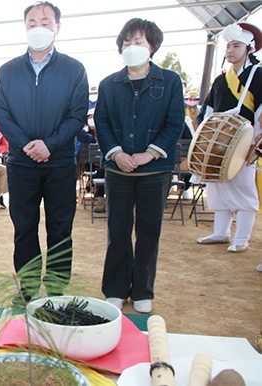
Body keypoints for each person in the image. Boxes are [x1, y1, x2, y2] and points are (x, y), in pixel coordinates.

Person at [0, 2, 88, 302]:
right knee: (24, 227)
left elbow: (77, 114)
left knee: (60, 227)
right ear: (25, 27)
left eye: (45, 21)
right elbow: (1, 114)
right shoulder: (7, 71)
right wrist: (25, 145)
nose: (38, 27)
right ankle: (28, 288)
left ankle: (57, 288)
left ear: (58, 27)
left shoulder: (73, 69)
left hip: (59, 162)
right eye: (32, 22)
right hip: (21, 163)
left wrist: (50, 144)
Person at [95, 18, 184, 314]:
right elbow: (102, 121)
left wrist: (150, 153)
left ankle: (143, 289)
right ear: (120, 46)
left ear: (153, 47)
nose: (132, 47)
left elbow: (175, 123)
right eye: (128, 42)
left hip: (154, 170)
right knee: (118, 229)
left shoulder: (169, 81)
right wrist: (116, 153)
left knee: (149, 230)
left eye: (140, 42)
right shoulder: (109, 84)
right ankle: (116, 288)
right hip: (118, 169)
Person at [196, 22, 262, 253]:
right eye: (228, 46)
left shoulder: (259, 74)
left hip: (245, 143)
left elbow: (261, 111)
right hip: (219, 143)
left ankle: (241, 238)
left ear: (249, 48)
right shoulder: (221, 80)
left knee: (244, 188)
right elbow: (208, 111)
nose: (230, 50)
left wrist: (256, 140)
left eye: (236, 45)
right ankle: (221, 233)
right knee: (218, 187)